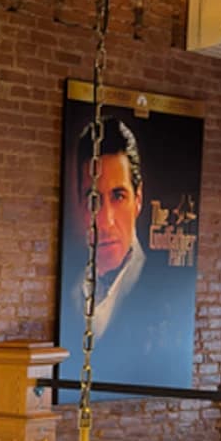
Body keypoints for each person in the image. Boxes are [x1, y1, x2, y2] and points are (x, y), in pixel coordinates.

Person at [74, 116, 145, 342]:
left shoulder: (156, 287)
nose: (105, 221)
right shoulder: (72, 291)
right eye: (94, 200)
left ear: (138, 199)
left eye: (118, 196)